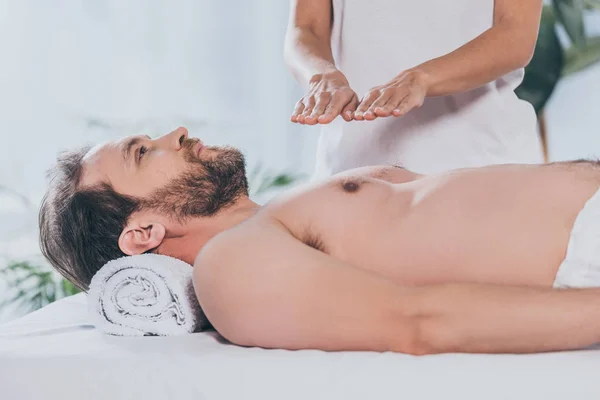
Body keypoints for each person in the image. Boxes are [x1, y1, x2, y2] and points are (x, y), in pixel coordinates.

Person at [40, 127, 600, 355]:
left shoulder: (284, 213)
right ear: (142, 233)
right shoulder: (230, 266)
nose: (177, 132)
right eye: (144, 153)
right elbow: (417, 321)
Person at [284, 0, 545, 177]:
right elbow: (305, 28)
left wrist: (421, 79)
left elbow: (515, 34)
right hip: (353, 168)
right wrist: (322, 76)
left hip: (478, 162)